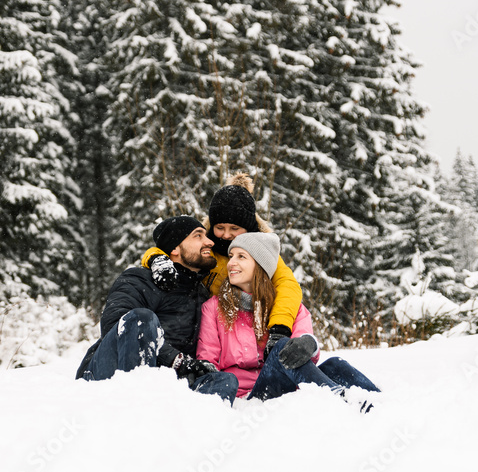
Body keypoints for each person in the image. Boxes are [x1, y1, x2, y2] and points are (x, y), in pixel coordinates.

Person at [196, 232, 380, 408]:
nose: (231, 263)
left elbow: (304, 353)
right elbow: (208, 358)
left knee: (335, 364)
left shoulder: (285, 304)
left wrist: (308, 343)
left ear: (260, 265)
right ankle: (339, 401)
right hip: (249, 399)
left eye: (241, 257)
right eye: (231, 256)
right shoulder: (213, 307)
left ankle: (381, 403)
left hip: (289, 387)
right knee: (281, 346)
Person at [76, 216, 239, 404]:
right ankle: (134, 409)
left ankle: (188, 426)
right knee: (141, 319)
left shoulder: (202, 295)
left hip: (165, 384)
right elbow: (117, 325)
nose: (209, 241)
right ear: (175, 249)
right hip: (106, 375)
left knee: (224, 381)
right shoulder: (140, 279)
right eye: (198, 236)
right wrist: (176, 360)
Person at [142, 173, 303, 360]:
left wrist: (280, 327)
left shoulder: (259, 254)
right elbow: (172, 248)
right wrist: (155, 258)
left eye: (234, 229)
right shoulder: (206, 249)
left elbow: (287, 286)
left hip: (249, 332)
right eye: (220, 227)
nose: (226, 235)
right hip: (211, 331)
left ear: (249, 227)